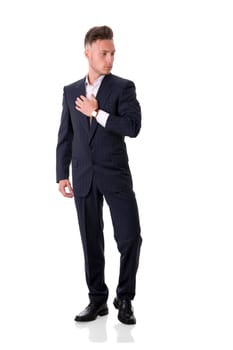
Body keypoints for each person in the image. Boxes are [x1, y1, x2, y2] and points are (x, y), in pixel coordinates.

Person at [56, 25, 142, 325]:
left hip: (115, 175)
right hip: (83, 176)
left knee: (131, 237)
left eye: (113, 53)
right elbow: (65, 135)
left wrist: (98, 113)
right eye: (104, 53)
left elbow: (132, 127)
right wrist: (61, 173)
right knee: (90, 240)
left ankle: (125, 298)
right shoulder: (70, 92)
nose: (110, 59)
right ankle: (97, 300)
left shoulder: (123, 87)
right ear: (87, 53)